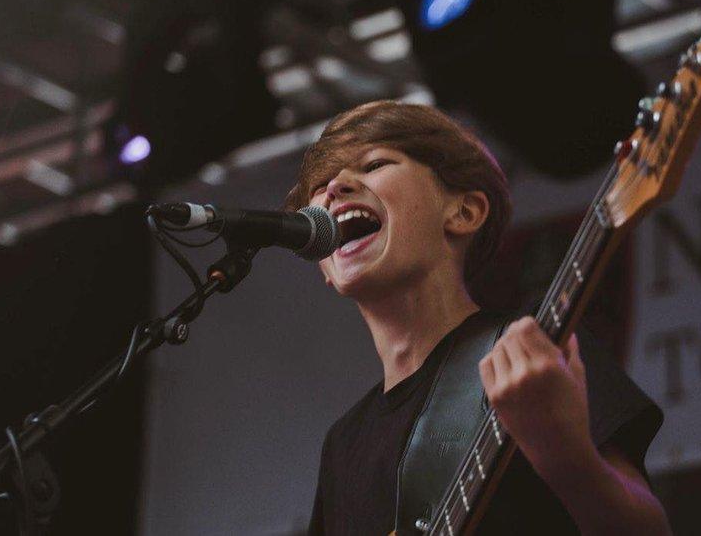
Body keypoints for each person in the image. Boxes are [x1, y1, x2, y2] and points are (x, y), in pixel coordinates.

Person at [284, 100, 671, 535]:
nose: (335, 186)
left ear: (464, 212)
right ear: (324, 266)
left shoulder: (534, 351)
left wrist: (568, 456)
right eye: (321, 184)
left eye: (374, 164)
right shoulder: (344, 445)